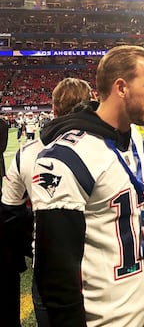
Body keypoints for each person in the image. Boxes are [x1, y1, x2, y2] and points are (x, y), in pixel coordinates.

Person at [30, 46, 144, 327]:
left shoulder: (133, 137)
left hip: (142, 310)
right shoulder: (65, 158)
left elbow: (127, 206)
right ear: (121, 88)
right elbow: (56, 278)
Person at [0, 77, 93, 327]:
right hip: (100, 261)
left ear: (53, 110)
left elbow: (10, 213)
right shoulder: (108, 148)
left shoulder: (27, 153)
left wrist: (29, 243)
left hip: (49, 261)